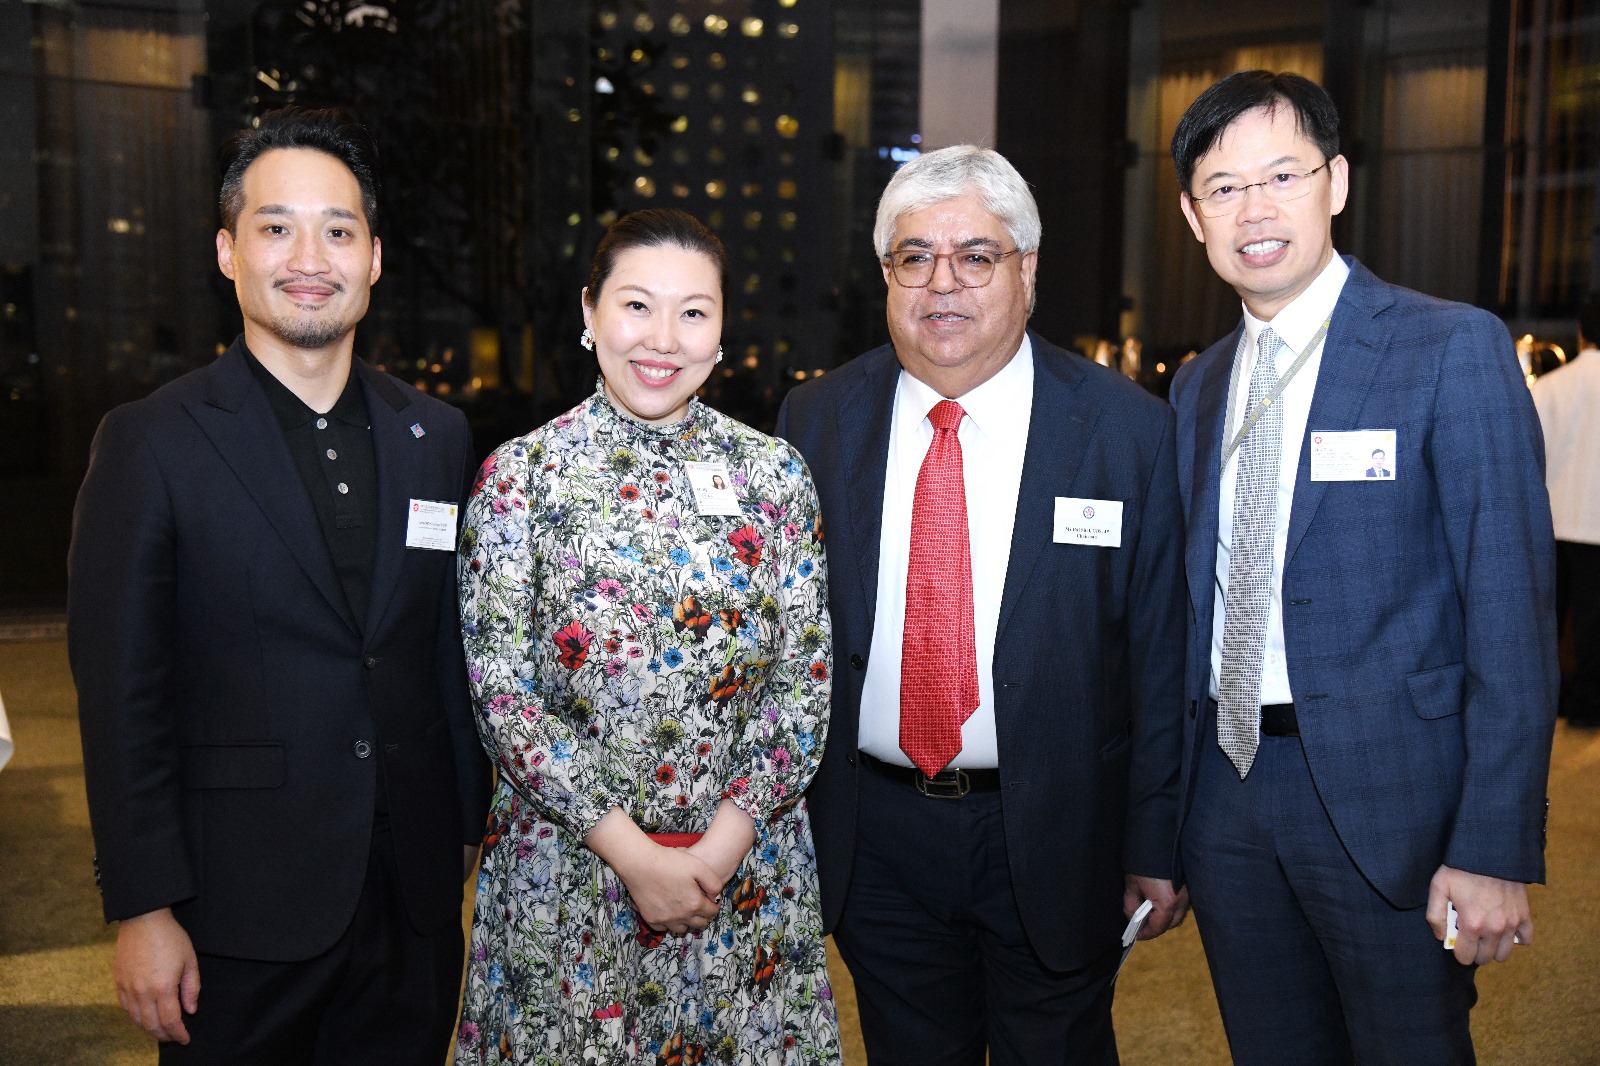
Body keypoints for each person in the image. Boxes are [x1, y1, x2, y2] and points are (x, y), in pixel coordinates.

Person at [68, 106, 491, 1063]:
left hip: (411, 902)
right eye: (276, 228)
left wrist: (463, 822)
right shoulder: (153, 442)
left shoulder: (434, 434)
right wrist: (144, 906)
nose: (310, 257)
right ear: (228, 252)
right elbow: (122, 695)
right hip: (235, 909)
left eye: (339, 231)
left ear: (374, 259)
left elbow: (442, 647)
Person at [1168, 70, 1558, 1065]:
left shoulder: (1448, 347)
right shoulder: (1197, 386)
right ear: (1193, 217)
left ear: (1336, 183)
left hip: (1395, 803)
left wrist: (1492, 844)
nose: (1254, 209)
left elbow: (1510, 613)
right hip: (1227, 797)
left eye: (1282, 175)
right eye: (1223, 188)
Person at [774, 145, 1188, 1065]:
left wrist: (1156, 842)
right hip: (876, 835)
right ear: (886, 276)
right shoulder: (816, 420)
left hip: (1060, 829)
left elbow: (1162, 657)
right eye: (914, 257)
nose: (942, 284)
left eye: (975, 256)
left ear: (1027, 271)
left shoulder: (1129, 430)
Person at [455, 208, 840, 1065]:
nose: (663, 338)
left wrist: (712, 859)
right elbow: (504, 698)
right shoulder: (521, 478)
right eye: (636, 305)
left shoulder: (775, 476)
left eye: (693, 312)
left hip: (741, 884)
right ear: (589, 312)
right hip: (570, 882)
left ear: (722, 331)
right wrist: (637, 860)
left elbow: (804, 687)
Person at [1532, 295, 1600, 727]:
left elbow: (1528, 457)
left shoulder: (1551, 386)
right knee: (1594, 627)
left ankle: (1548, 704)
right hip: (1596, 524)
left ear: (1581, 333)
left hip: (1552, 521)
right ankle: (1589, 709)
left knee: (1545, 622)